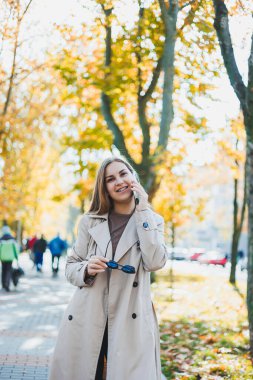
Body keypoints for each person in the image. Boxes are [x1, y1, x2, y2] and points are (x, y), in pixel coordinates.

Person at [49, 156, 167, 380]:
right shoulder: (90, 221)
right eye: (110, 179)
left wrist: (143, 211)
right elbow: (71, 267)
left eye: (123, 173)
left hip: (130, 317)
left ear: (133, 176)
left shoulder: (153, 221)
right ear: (104, 188)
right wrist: (86, 268)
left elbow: (155, 262)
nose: (119, 181)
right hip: (88, 315)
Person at [0, 225, 19, 291]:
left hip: (2, 257)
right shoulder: (12, 239)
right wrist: (16, 257)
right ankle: (7, 284)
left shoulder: (1, 239)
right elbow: (16, 249)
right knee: (8, 271)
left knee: (3, 271)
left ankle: (3, 285)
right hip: (10, 258)